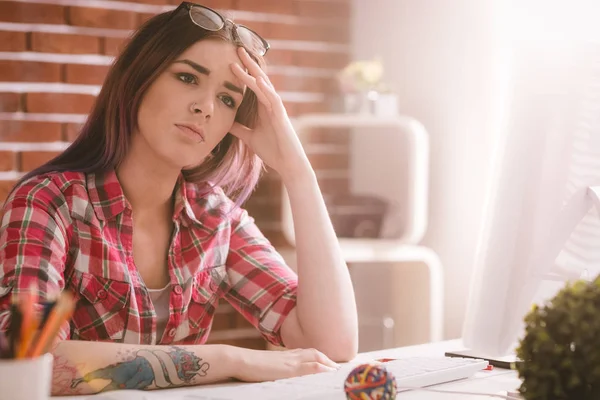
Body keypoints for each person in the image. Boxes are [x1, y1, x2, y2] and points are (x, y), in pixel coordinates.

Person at [0, 2, 358, 396]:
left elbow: (333, 344)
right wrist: (229, 360)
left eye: (227, 99)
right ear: (138, 79)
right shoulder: (49, 201)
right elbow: (30, 361)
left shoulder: (215, 217)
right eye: (188, 77)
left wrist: (298, 172)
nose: (204, 107)